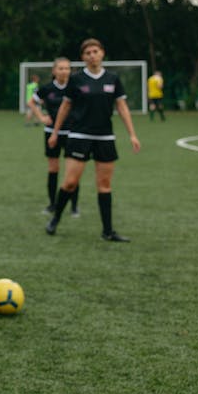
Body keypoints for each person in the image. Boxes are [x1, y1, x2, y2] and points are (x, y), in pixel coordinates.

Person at [46, 38, 141, 242]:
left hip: (105, 137)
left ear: (102, 53)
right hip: (79, 135)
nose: (92, 55)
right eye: (88, 53)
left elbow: (122, 107)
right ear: (83, 57)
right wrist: (55, 132)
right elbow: (65, 107)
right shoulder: (77, 79)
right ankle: (55, 218)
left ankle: (108, 231)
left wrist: (132, 134)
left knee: (104, 184)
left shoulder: (113, 79)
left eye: (95, 51)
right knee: (70, 182)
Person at [27, 57, 80, 217]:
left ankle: (74, 207)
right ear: (54, 71)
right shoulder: (47, 88)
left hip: (72, 133)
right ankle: (52, 204)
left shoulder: (75, 87)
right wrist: (42, 117)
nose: (64, 71)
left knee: (72, 171)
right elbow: (31, 103)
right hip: (52, 134)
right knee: (53, 168)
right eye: (61, 68)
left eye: (67, 68)